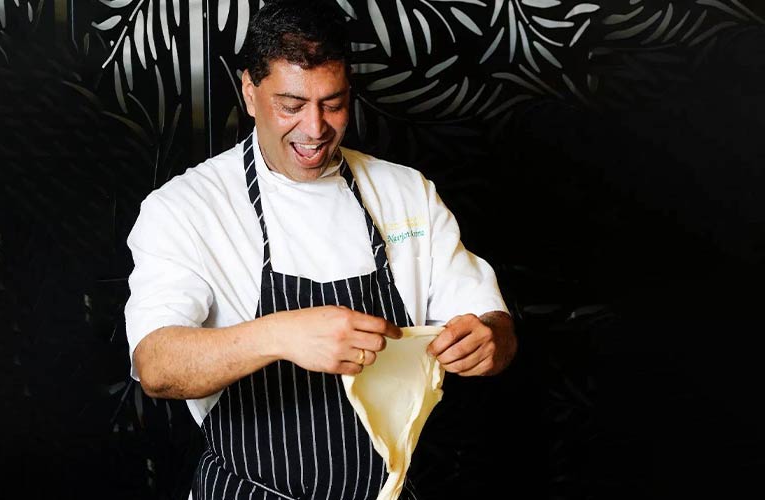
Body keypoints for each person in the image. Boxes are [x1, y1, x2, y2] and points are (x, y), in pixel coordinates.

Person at [124, 0, 517, 498]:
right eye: (291, 106)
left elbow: (495, 326)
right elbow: (157, 366)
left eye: (333, 104)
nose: (315, 129)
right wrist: (281, 335)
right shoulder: (187, 207)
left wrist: (488, 339)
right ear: (249, 91)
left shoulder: (406, 192)